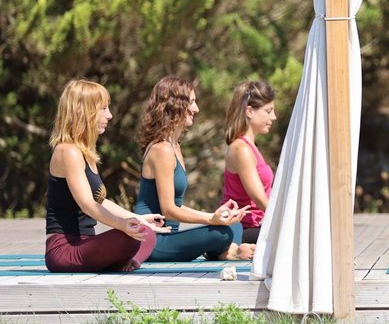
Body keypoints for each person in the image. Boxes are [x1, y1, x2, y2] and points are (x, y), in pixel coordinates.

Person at [45, 79, 168, 273]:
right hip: (66, 250)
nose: (109, 115)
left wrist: (137, 219)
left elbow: (100, 201)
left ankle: (123, 261)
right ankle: (122, 261)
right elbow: (88, 204)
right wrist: (122, 225)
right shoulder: (67, 151)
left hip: (86, 244)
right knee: (128, 237)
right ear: (82, 111)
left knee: (145, 233)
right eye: (103, 108)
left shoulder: (86, 153)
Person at [134, 76, 256, 261]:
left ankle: (226, 250)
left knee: (234, 226)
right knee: (220, 233)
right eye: (191, 102)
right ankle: (230, 251)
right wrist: (210, 219)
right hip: (153, 241)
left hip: (169, 237)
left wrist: (217, 216)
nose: (196, 109)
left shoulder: (174, 146)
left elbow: (177, 206)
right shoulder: (162, 150)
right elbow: (169, 210)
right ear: (175, 105)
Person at [220, 80, 276, 244]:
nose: (273, 117)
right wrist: (287, 221)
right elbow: (260, 200)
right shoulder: (241, 149)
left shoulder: (251, 147)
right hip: (242, 229)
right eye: (268, 111)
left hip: (257, 226)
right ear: (250, 111)